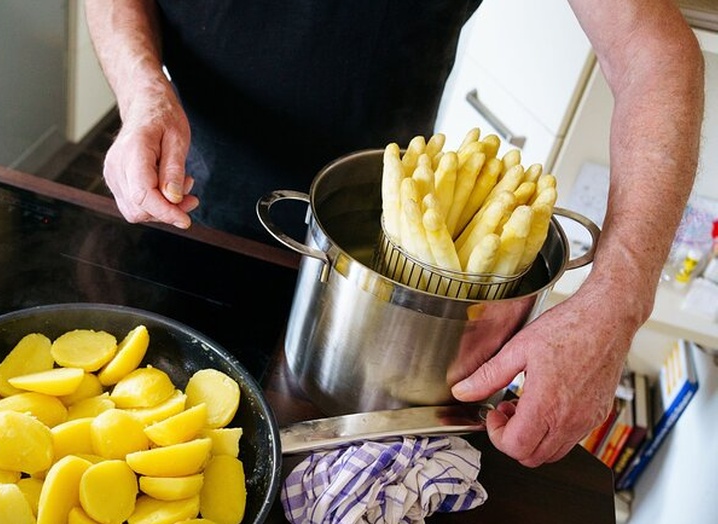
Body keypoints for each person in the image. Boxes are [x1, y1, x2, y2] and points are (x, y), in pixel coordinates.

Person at [85, 0, 704, 468]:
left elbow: (656, 56)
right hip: (173, 202)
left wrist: (616, 304)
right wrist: (143, 93)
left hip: (385, 272)